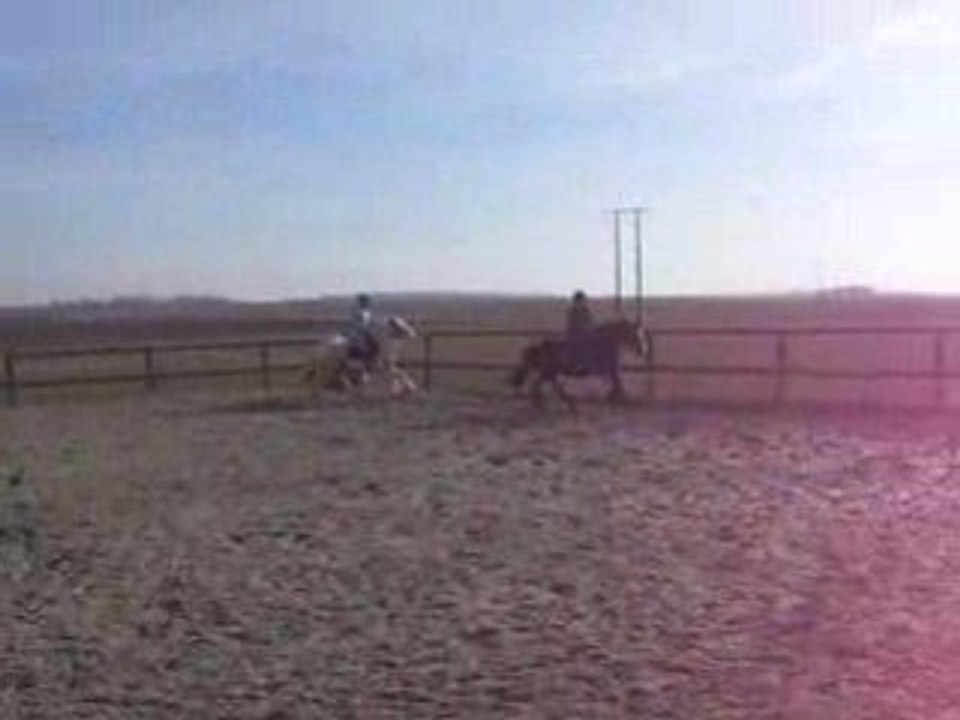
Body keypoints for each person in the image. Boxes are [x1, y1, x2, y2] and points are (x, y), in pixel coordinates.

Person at [347, 293, 379, 371]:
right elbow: (360, 324)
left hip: (361, 332)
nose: (367, 304)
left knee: (375, 346)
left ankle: (369, 364)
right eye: (365, 302)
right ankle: (368, 365)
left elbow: (366, 323)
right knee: (374, 347)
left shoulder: (364, 312)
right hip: (361, 333)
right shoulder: (361, 312)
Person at [565, 290, 594, 371]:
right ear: (576, 301)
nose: (581, 302)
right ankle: (577, 363)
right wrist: (582, 328)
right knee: (578, 346)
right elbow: (572, 324)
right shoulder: (572, 311)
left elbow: (590, 320)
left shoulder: (586, 310)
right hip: (574, 334)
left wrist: (589, 328)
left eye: (582, 300)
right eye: (579, 301)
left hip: (587, 333)